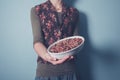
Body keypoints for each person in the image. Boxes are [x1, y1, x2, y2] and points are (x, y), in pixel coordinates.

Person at [30, 0, 79, 80]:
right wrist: (47, 56)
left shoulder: (74, 12)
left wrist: (73, 52)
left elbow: (76, 41)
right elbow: (37, 41)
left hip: (69, 71)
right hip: (46, 71)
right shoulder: (37, 10)